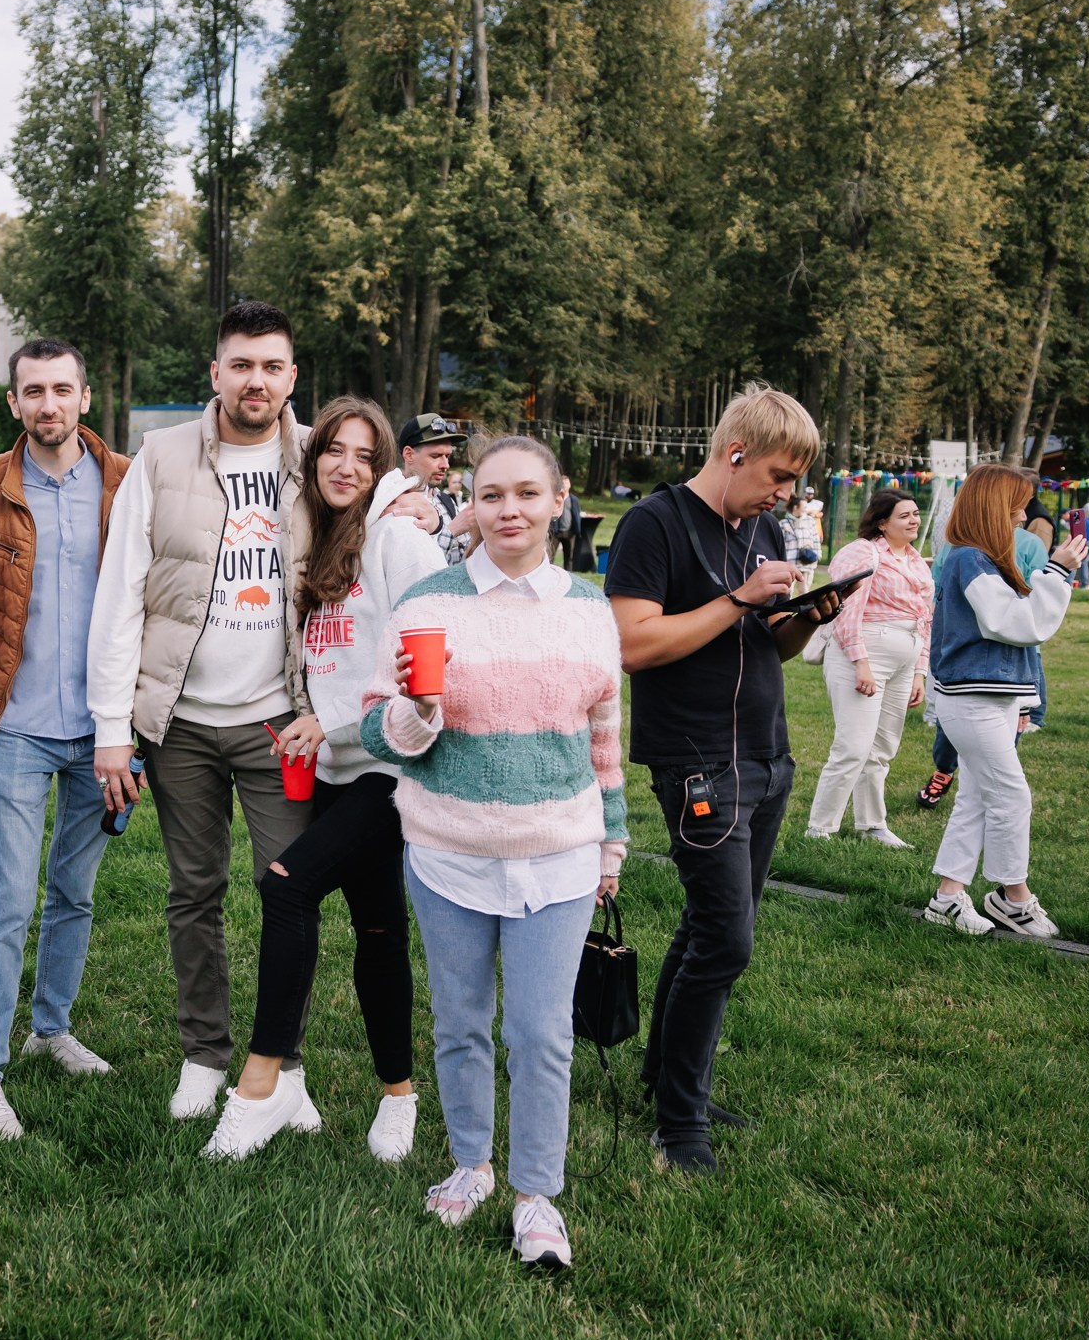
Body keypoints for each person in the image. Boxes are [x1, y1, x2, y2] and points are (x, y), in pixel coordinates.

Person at [359, 436, 625, 1270]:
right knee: (462, 1022)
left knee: (542, 1033)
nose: (509, 510)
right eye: (491, 494)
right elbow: (380, 727)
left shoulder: (588, 605)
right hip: (448, 851)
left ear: (558, 500)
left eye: (526, 494)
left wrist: (611, 840)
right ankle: (470, 1163)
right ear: (469, 502)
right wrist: (416, 714)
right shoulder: (427, 603)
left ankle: (536, 1194)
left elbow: (605, 735)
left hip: (562, 853)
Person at [89, 301, 318, 1124]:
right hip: (180, 722)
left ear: (292, 377)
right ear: (214, 373)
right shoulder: (160, 456)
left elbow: (371, 526)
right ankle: (203, 1054)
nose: (256, 381)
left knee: (289, 892)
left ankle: (285, 1066)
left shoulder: (317, 458)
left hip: (279, 720)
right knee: (194, 891)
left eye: (272, 367)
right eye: (240, 365)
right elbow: (121, 597)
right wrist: (113, 728)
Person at [200, 396, 444, 1164]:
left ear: (385, 469)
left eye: (365, 456)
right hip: (330, 768)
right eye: (333, 451)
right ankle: (398, 1097)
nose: (346, 467)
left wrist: (334, 727)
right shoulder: (320, 537)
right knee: (376, 930)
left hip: (393, 768)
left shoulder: (399, 540)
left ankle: (259, 1089)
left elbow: (433, 673)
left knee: (286, 886)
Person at [605, 388, 839, 1177]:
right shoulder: (655, 523)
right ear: (734, 450)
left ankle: (666, 1080)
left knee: (710, 930)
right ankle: (679, 1122)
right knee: (727, 940)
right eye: (778, 474)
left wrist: (809, 615)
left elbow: (774, 649)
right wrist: (738, 596)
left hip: (766, 756)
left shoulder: (763, 527)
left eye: (796, 481)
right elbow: (633, 644)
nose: (787, 495)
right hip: (697, 760)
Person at [0, 340, 133, 1140]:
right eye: (33, 391)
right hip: (18, 724)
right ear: (15, 404)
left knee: (76, 890)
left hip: (105, 732)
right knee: (9, 898)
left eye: (63, 389)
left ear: (85, 397)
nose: (48, 404)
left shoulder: (129, 485)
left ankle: (50, 1027)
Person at [920, 464, 1088, 938]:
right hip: (973, 698)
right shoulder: (971, 558)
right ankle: (1014, 898)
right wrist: (1058, 570)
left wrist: (1023, 703)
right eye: (1017, 502)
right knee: (1011, 796)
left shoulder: (982, 557)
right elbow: (1012, 624)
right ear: (995, 505)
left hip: (990, 697)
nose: (1024, 512)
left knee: (976, 797)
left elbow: (1015, 627)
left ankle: (948, 897)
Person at [806, 489, 931, 847]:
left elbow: (925, 617)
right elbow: (846, 610)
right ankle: (819, 829)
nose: (914, 520)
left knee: (882, 748)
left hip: (906, 656)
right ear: (881, 522)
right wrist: (861, 664)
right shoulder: (861, 552)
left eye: (916, 513)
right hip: (862, 655)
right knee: (853, 746)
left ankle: (872, 825)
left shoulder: (914, 560)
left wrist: (920, 672)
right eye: (904, 515)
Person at [398, 413, 471, 564]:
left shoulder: (446, 501)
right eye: (436, 456)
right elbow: (411, 568)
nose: (445, 465)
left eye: (447, 456)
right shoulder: (395, 504)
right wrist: (452, 530)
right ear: (409, 454)